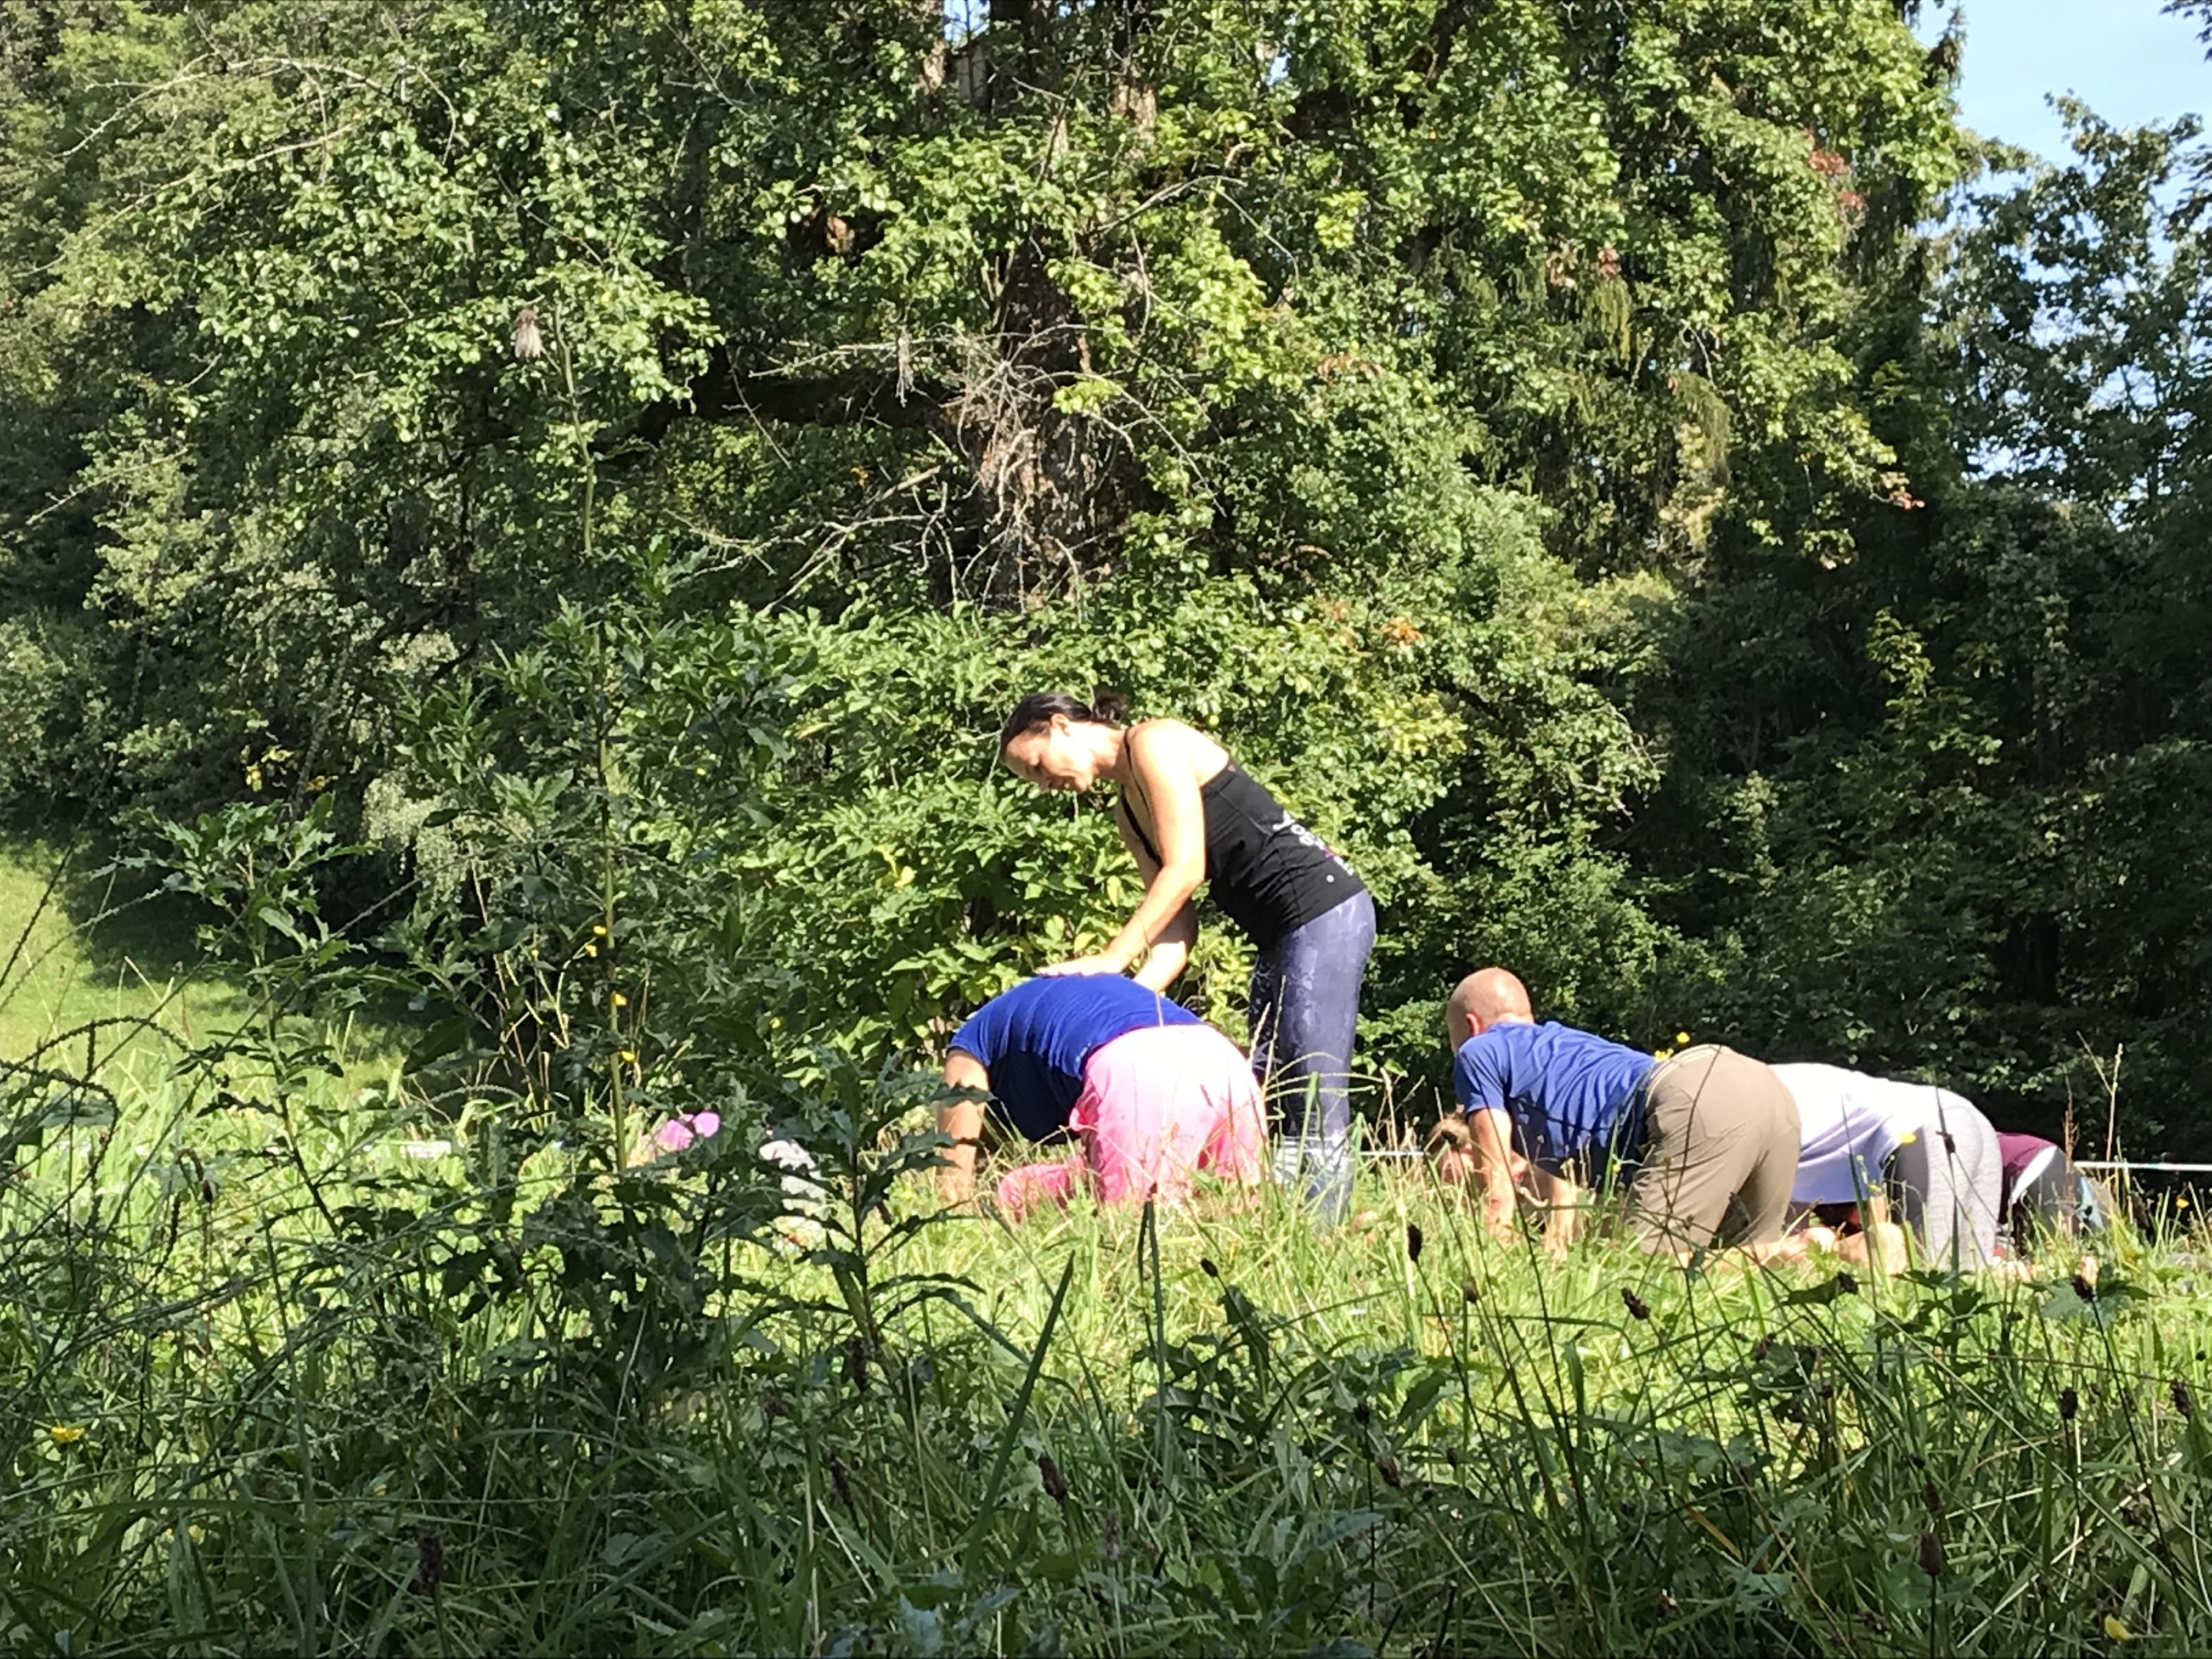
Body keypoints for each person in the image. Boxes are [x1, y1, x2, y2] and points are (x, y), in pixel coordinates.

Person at [997, 692, 1374, 1220]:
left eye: (1037, 766)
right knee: (1268, 1088)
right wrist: (1127, 1000)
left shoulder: (1155, 742)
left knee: (1312, 1091)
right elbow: (1178, 925)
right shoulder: (1128, 813)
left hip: (1323, 909)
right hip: (1278, 934)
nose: (1043, 783)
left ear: (1062, 726)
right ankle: (1283, 1229)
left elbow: (1187, 869)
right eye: (1031, 780)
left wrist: (1112, 957)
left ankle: (1326, 1241)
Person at [1446, 968, 1799, 1255]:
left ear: (1472, 1024)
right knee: (1747, 1275)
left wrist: (1491, 1262)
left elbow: (1496, 1178)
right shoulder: (1564, 1045)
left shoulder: (1479, 1051)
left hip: (1694, 1098)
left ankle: (1802, 1248)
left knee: (1646, 1273)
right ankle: (1797, 1251)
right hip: (1770, 1089)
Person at [935, 974, 1266, 1219]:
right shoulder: (1042, 1008)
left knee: (1135, 1241)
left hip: (1136, 1066)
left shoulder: (969, 1047)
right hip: (1221, 1057)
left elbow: (952, 1188)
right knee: (1238, 1223)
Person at [1772, 1063, 2005, 1270]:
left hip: (1920, 1127)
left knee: (1922, 1275)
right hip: (1956, 1114)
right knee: (1970, 1273)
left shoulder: (1746, 1104)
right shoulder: (1765, 1089)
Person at [1999, 1132, 2111, 1252]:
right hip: (2050, 1161)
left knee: (2043, 1255)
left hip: (2035, 1169)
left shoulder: (1980, 1141)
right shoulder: (1986, 1135)